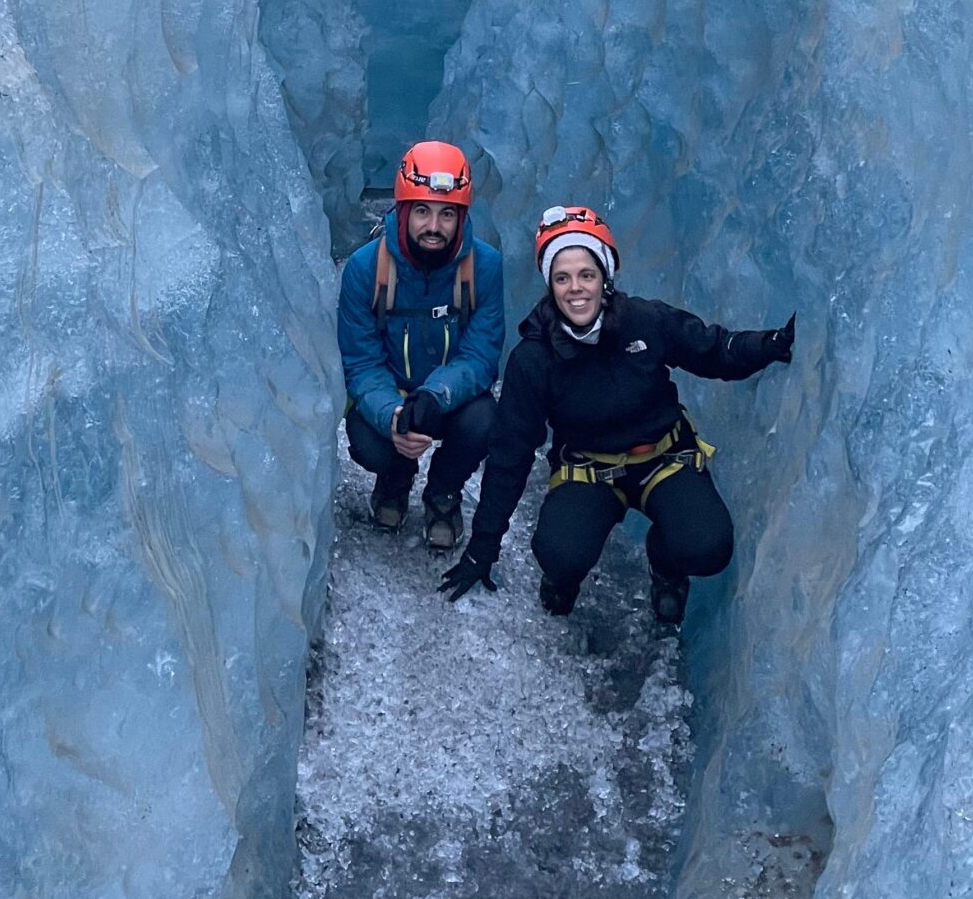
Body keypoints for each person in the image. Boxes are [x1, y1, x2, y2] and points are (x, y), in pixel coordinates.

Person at [440, 204, 794, 625]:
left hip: (665, 457)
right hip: (590, 470)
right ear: (549, 286)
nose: (576, 289)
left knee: (707, 546)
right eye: (562, 277)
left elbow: (715, 350)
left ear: (605, 277)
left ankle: (666, 567)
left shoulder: (645, 322)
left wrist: (770, 344)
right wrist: (483, 548)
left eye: (586, 274)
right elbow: (509, 455)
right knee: (559, 552)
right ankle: (563, 577)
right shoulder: (534, 359)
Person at [336, 140, 505, 550]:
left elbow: (482, 355)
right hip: (391, 395)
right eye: (423, 211)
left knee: (486, 421)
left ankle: (442, 492)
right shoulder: (365, 269)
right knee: (367, 440)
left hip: (449, 399)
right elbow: (360, 364)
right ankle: (395, 477)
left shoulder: (484, 266)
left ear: (462, 216)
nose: (435, 226)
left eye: (447, 214)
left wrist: (435, 395)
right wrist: (393, 417)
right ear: (404, 211)